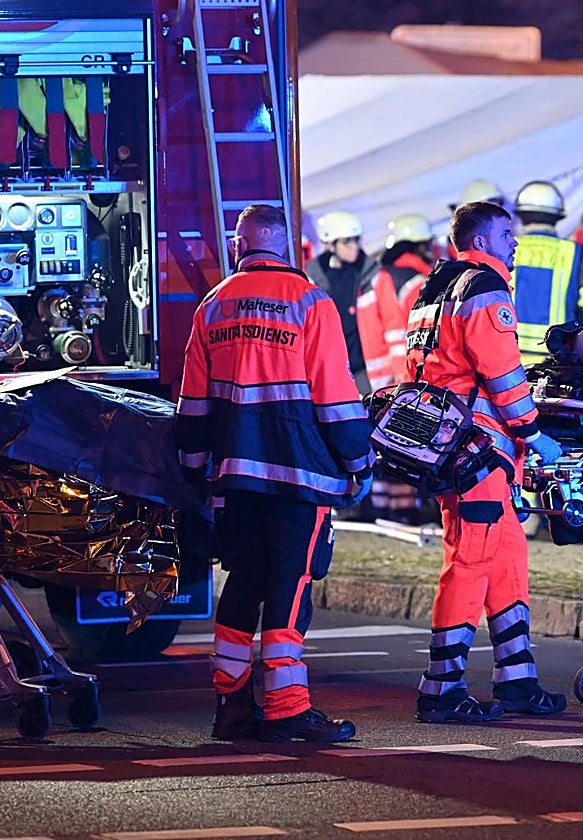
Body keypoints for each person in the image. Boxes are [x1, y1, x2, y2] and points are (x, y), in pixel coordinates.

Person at [177, 204, 373, 743]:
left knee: (243, 581)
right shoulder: (311, 302)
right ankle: (287, 708)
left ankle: (232, 706)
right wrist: (358, 462)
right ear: (286, 246)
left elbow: (192, 404)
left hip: (235, 478)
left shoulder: (213, 305)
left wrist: (194, 470)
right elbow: (335, 397)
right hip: (299, 476)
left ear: (239, 246)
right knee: (291, 583)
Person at [405, 200, 568, 723]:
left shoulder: (433, 289)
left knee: (506, 556)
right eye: (505, 234)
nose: (514, 243)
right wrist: (534, 433)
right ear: (480, 241)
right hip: (481, 450)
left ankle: (517, 679)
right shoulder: (485, 289)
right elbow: (502, 374)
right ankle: (441, 688)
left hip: (449, 447)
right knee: (471, 561)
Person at [374, 213, 437, 523]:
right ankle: (404, 507)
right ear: (420, 244)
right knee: (408, 441)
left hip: (380, 372)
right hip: (411, 372)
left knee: (383, 439)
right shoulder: (419, 281)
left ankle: (381, 503)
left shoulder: (381, 274)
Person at [511, 180, 583, 364]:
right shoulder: (573, 252)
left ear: (521, 215)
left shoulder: (508, 248)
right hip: (555, 358)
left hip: (508, 358)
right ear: (558, 216)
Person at [305, 210, 406, 393]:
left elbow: (394, 325)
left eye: (356, 239)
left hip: (370, 375)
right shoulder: (312, 279)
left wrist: (400, 368)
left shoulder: (374, 275)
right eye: (346, 241)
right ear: (330, 244)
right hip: (331, 371)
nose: (354, 246)